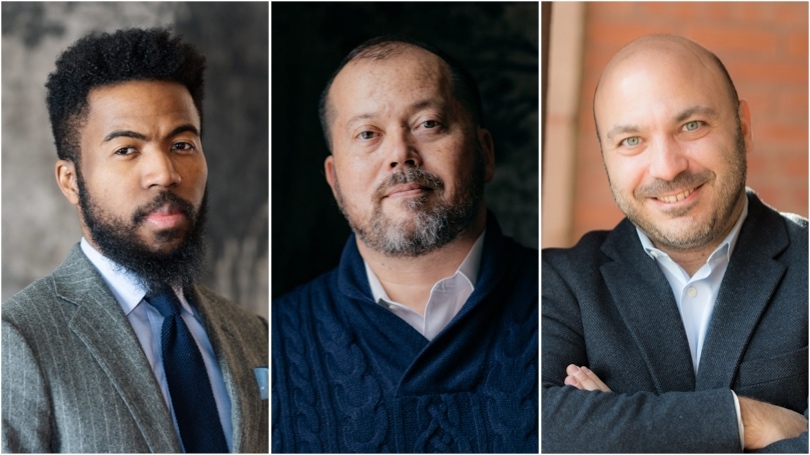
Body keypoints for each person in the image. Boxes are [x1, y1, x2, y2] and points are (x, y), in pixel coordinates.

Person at [1, 28, 268, 453]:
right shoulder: (16, 341)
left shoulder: (253, 333)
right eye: (127, 149)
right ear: (71, 181)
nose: (165, 173)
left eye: (182, 144)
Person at [542, 34, 808, 452]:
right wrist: (745, 419)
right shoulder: (554, 284)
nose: (666, 168)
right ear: (605, 155)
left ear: (743, 128)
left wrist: (615, 431)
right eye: (632, 140)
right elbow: (534, 423)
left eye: (691, 126)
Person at [272, 36, 538, 452]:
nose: (400, 154)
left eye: (427, 124)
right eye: (367, 134)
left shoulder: (567, 305)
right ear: (334, 180)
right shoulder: (271, 344)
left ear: (484, 153)